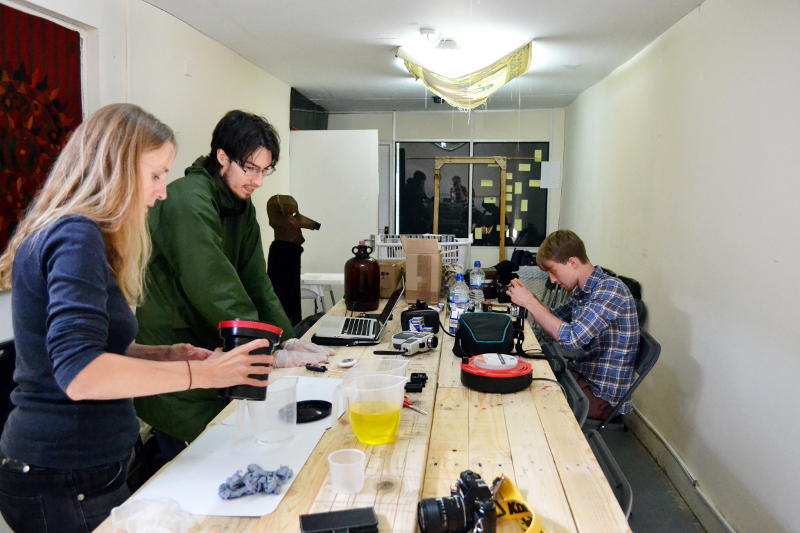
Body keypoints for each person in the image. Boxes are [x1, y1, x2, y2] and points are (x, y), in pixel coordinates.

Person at [0, 104, 275, 533]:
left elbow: (88, 347)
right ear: (115, 167)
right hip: (64, 475)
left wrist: (161, 354)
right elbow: (82, 374)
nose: (163, 190)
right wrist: (202, 375)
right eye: (155, 175)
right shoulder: (76, 236)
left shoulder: (77, 233)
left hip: (82, 469)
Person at [134, 110, 324, 458]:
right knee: (196, 460)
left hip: (216, 352)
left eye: (265, 170)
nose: (258, 181)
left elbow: (255, 281)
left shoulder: (240, 206)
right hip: (176, 353)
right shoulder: (188, 201)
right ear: (222, 157)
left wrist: (287, 336)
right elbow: (214, 285)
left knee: (228, 446)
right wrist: (266, 349)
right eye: (250, 168)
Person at [506, 230, 639, 419]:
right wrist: (531, 299)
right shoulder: (584, 290)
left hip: (600, 396)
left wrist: (530, 303)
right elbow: (553, 318)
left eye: (553, 271)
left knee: (527, 401)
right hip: (580, 378)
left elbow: (571, 339)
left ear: (572, 262)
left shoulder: (610, 290)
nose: (552, 280)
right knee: (520, 379)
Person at [266, 194, 321, 325]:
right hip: (285, 253)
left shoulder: (288, 250)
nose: (299, 220)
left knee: (291, 300)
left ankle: (293, 329)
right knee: (285, 298)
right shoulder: (282, 253)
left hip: (289, 252)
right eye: (294, 214)